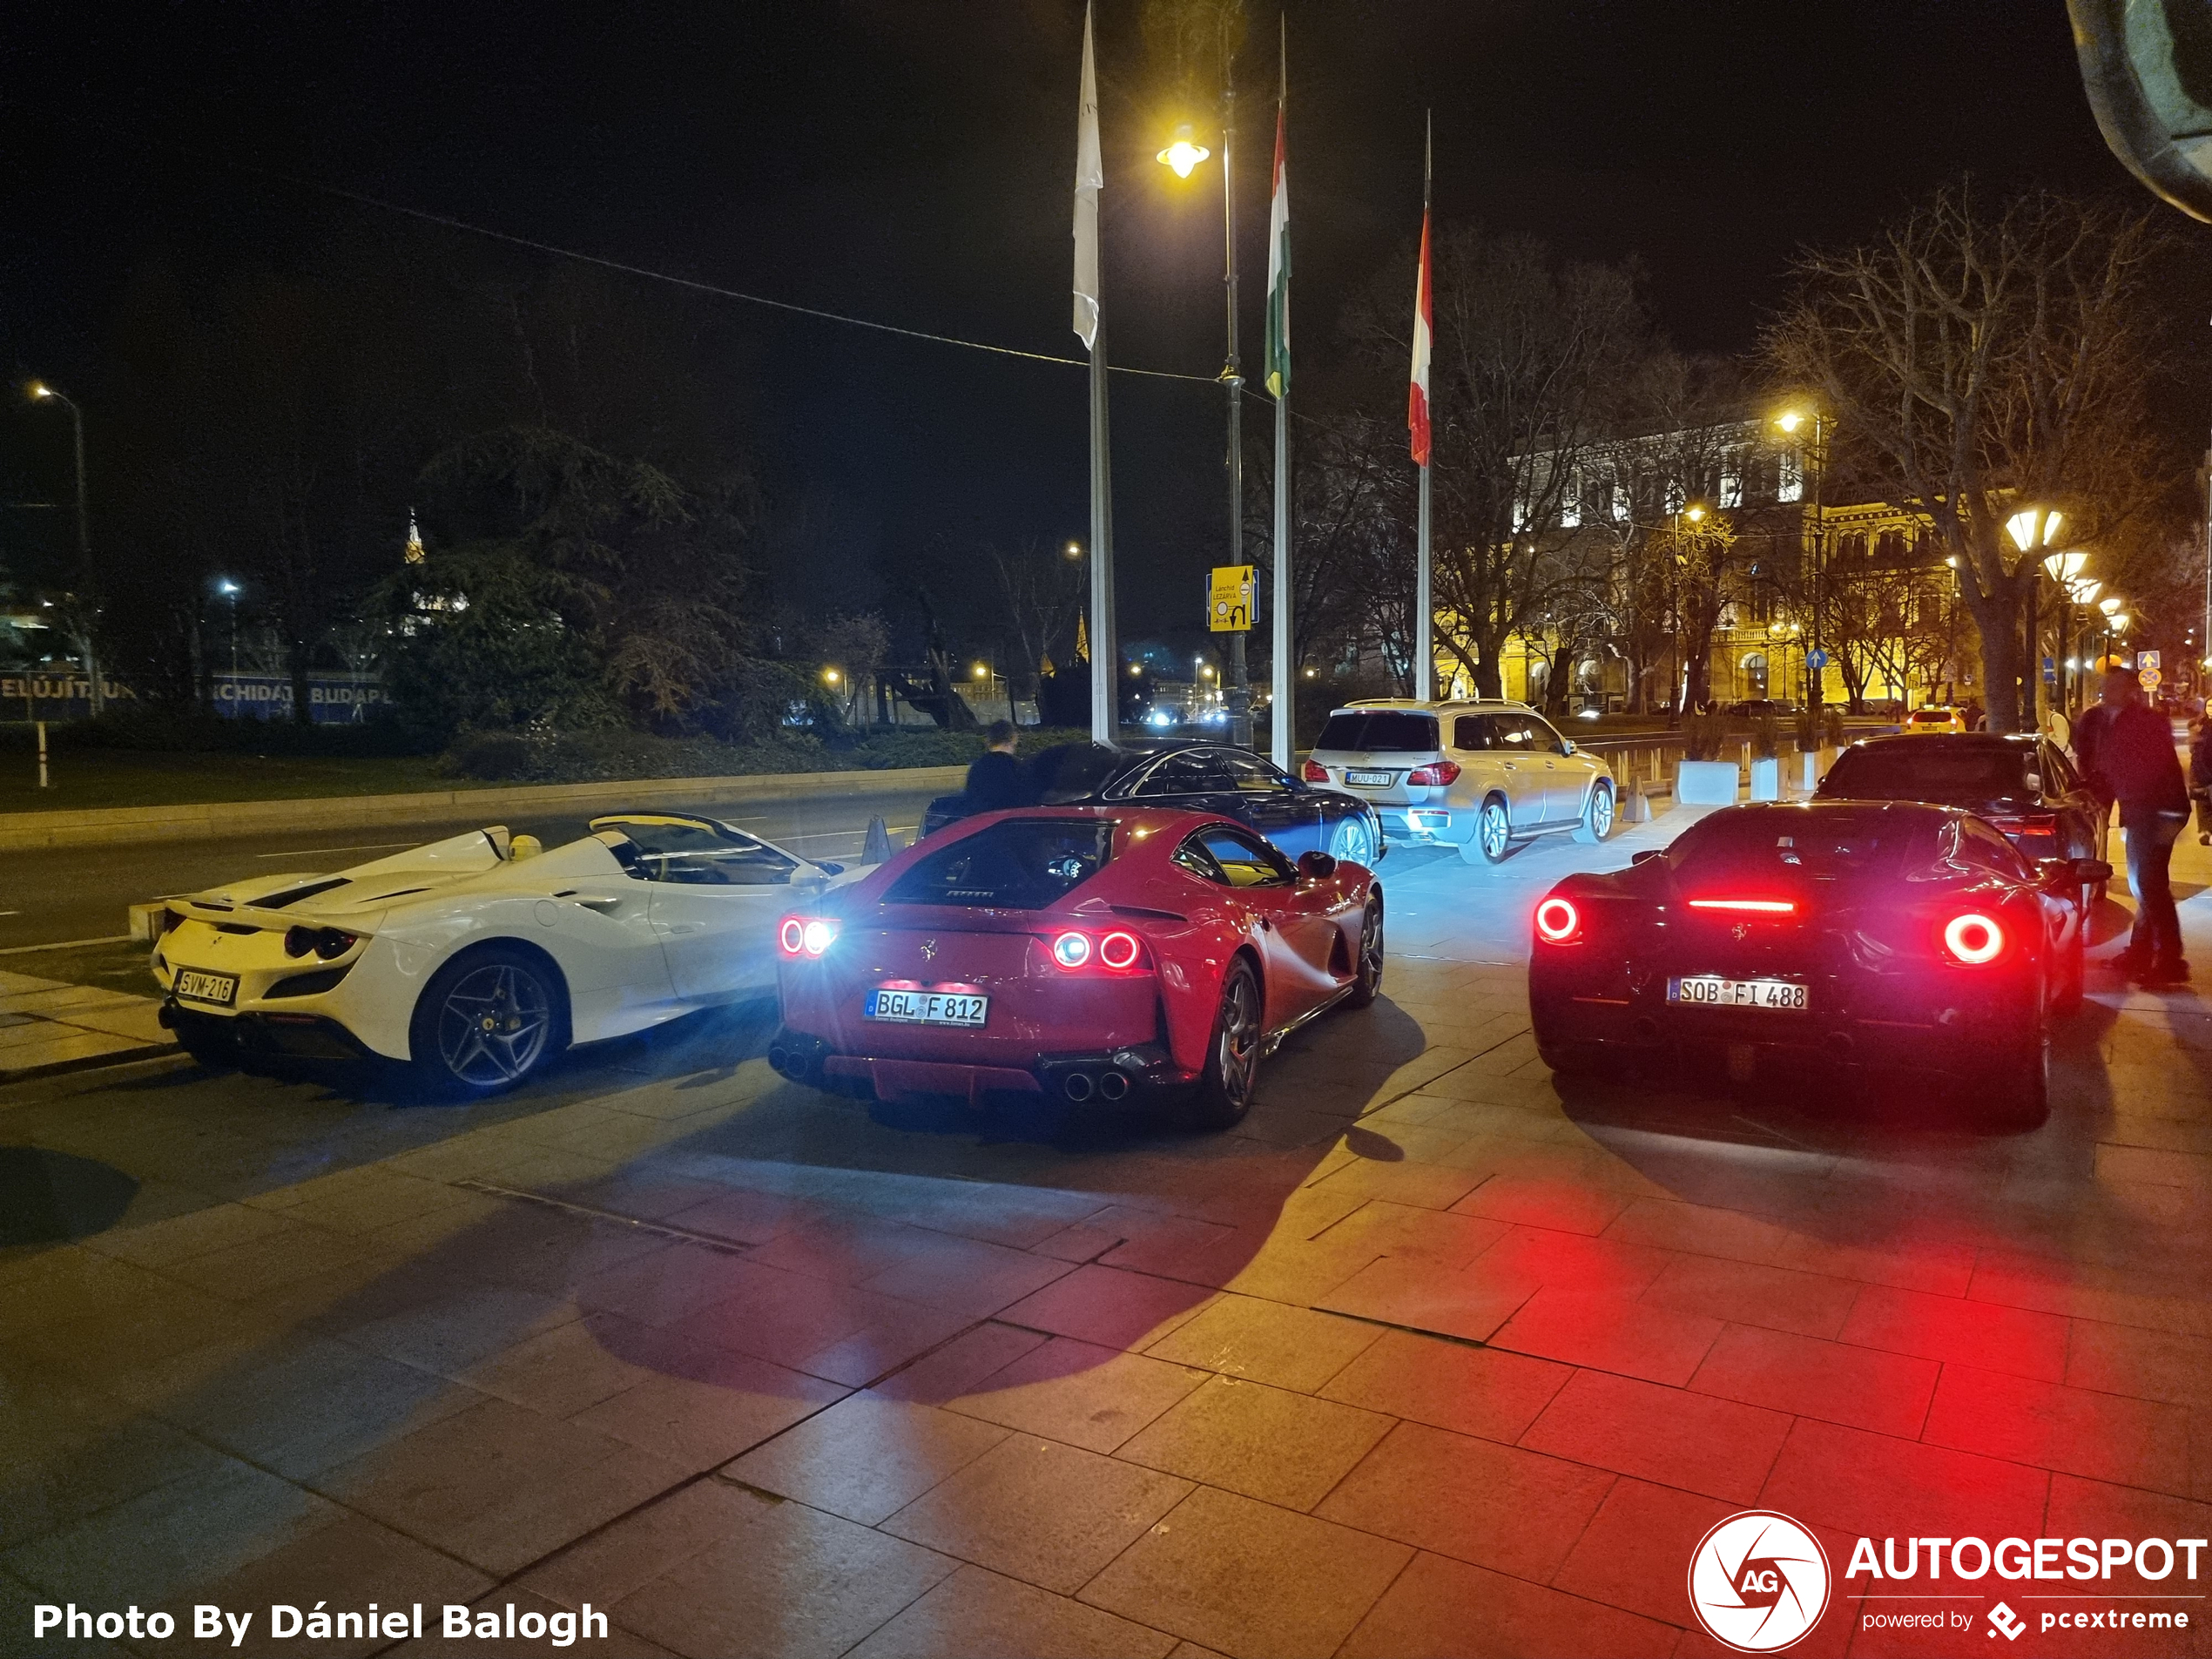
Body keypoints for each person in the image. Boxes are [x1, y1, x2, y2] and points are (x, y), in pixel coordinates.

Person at [2087, 667, 2190, 984]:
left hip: (2157, 811)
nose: (2106, 691)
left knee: (2148, 883)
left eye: (2114, 686)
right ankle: (2143, 952)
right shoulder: (2111, 721)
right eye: (2105, 685)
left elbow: (2140, 770)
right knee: (2147, 882)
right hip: (2145, 810)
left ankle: (2170, 960)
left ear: (2129, 690)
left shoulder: (2142, 721)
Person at [962, 720, 1025, 813]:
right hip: (1012, 821)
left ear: (989, 740)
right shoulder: (1018, 766)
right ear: (1013, 739)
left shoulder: (977, 767)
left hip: (983, 820)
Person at [2191, 714, 2212, 846]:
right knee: (2203, 803)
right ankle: (2208, 831)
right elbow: (2196, 753)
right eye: (2209, 706)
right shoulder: (2199, 726)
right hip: (2202, 773)